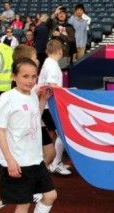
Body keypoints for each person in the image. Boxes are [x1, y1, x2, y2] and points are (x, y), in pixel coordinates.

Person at [0, 57, 58, 213]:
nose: (30, 80)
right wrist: (10, 160)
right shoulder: (8, 97)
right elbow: (0, 131)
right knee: (23, 204)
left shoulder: (31, 95)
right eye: (25, 76)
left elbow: (34, 119)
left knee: (50, 195)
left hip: (35, 159)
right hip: (17, 160)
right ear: (14, 77)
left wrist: (43, 100)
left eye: (33, 76)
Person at [12, 44, 56, 166]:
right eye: (35, 56)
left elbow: (35, 110)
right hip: (28, 127)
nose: (37, 59)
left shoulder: (32, 85)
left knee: (50, 153)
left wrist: (42, 99)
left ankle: (38, 175)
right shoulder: (16, 91)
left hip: (35, 123)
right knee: (48, 153)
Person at [38, 39, 72, 176]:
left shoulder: (49, 63)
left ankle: (52, 162)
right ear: (60, 51)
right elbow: (52, 85)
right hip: (48, 106)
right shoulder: (52, 65)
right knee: (62, 133)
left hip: (47, 105)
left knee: (54, 134)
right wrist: (68, 91)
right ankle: (55, 163)